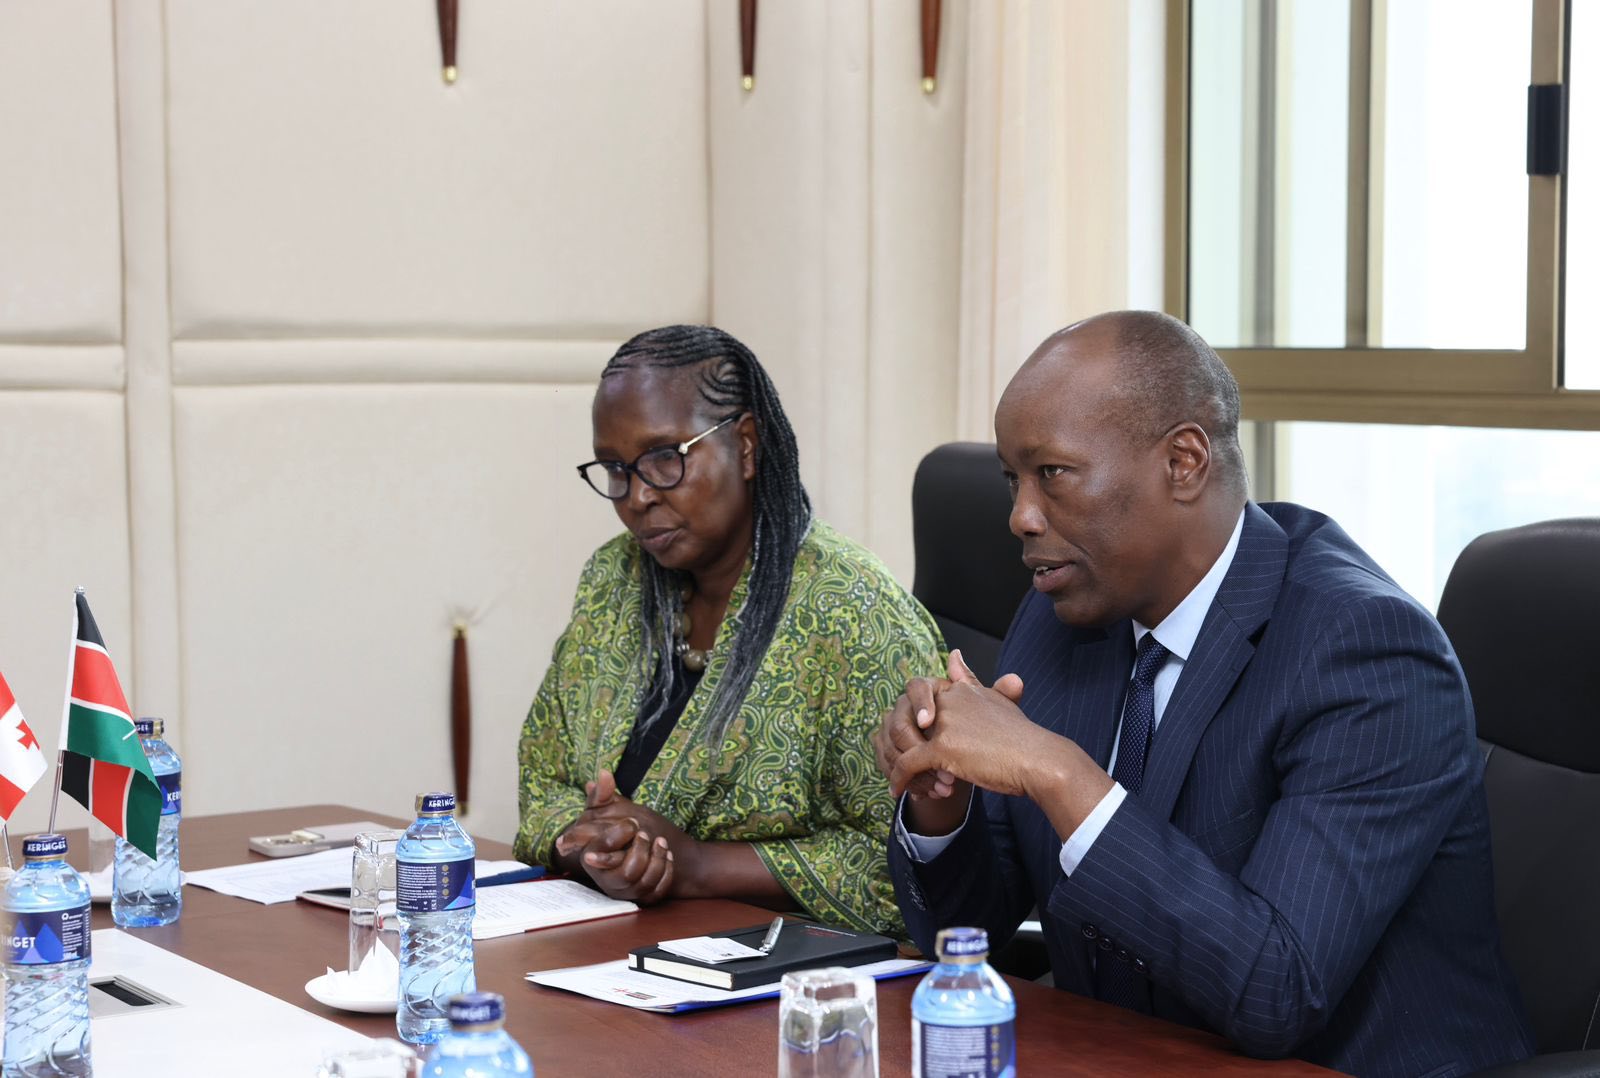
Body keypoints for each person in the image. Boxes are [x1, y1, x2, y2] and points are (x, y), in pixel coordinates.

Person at [875, 311, 1534, 1076]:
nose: (1020, 516)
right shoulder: (1059, 619)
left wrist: (1056, 772)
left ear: (1183, 461)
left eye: (1051, 473)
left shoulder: (1367, 653)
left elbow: (1277, 990)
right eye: (1011, 481)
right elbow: (965, 938)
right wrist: (941, 804)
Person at [514, 324, 942, 937]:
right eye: (615, 469)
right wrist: (596, 846)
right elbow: (543, 781)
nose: (636, 496)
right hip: (611, 951)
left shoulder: (852, 610)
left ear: (744, 446)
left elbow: (905, 870)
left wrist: (696, 866)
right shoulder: (614, 580)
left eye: (665, 458)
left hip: (789, 972)